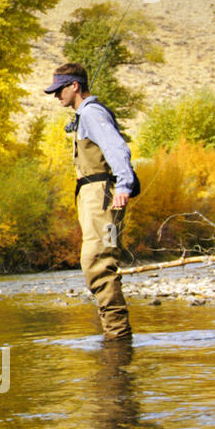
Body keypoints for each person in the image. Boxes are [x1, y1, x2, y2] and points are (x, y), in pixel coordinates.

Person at [44, 63, 136, 340]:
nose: (56, 95)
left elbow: (116, 147)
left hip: (102, 195)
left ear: (75, 86)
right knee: (97, 261)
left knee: (97, 260)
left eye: (60, 89)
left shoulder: (93, 113)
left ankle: (117, 338)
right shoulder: (84, 115)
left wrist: (124, 184)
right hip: (90, 195)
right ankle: (116, 336)